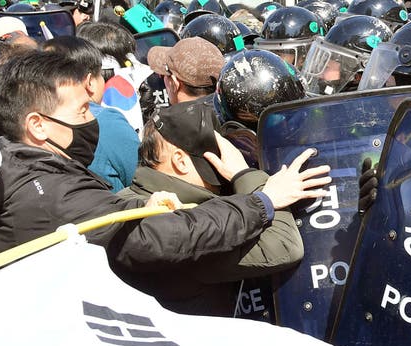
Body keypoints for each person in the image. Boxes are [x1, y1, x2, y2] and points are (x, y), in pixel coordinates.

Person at [0, 50, 330, 290]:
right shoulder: (52, 196)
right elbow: (166, 238)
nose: (93, 119)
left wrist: (135, 212)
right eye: (82, 110)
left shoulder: (18, 167)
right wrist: (260, 194)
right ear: (37, 125)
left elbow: (112, 220)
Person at [117, 100, 311, 316]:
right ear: (180, 161)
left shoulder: (129, 198)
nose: (220, 170)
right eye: (214, 158)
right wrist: (247, 177)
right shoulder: (177, 219)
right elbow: (283, 246)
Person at [42, 36, 140, 192]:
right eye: (101, 74)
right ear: (89, 82)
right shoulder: (105, 121)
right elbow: (140, 179)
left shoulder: (30, 120)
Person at [147, 37, 224, 105]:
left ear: (175, 83)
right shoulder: (228, 115)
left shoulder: (165, 120)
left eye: (164, 74)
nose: (160, 76)